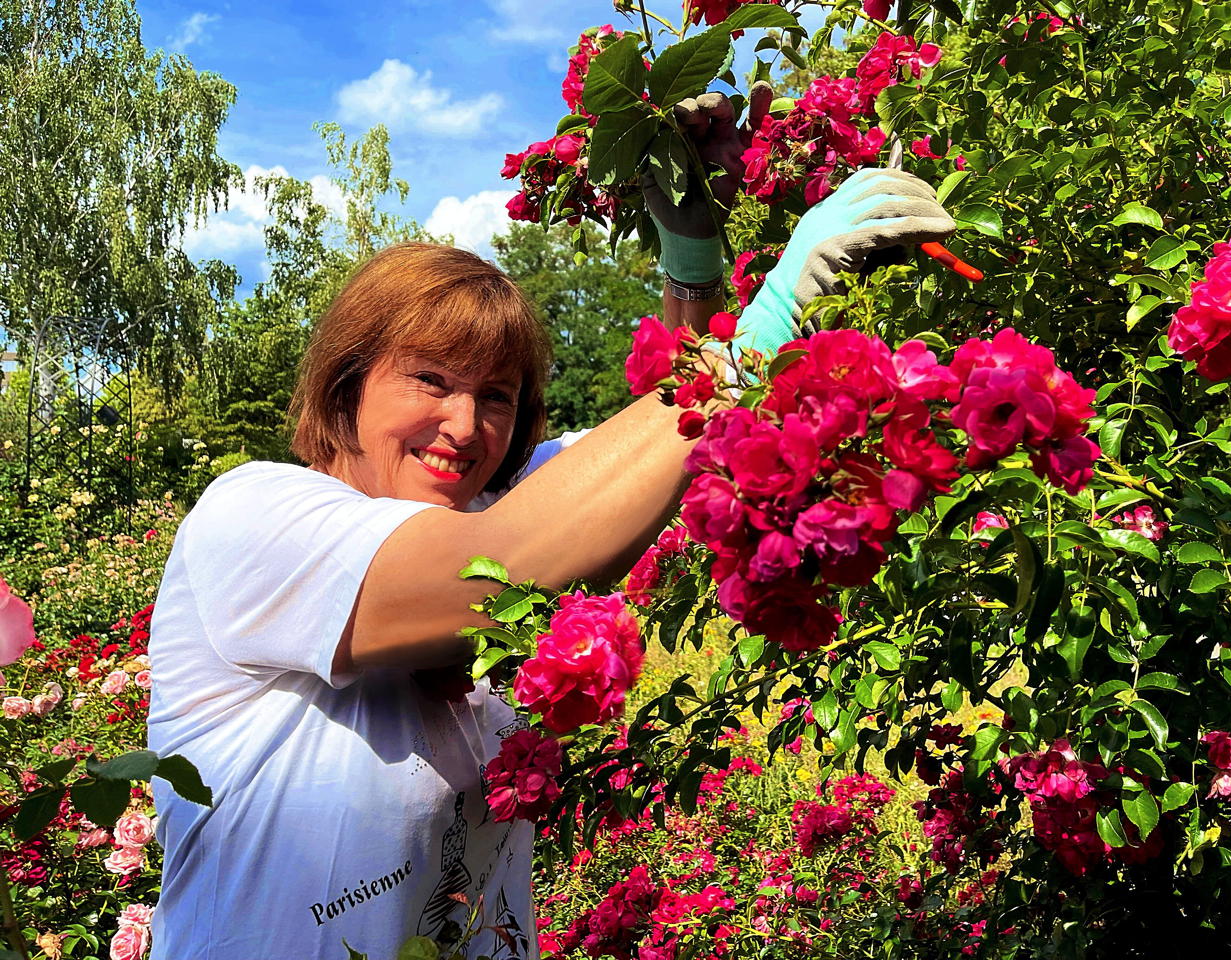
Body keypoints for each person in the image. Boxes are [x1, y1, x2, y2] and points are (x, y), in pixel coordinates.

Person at [145, 90, 956, 959]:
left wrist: (690, 253)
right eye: (429, 380)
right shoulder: (257, 515)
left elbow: (652, 441)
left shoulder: (492, 499)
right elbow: (502, 560)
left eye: (496, 396)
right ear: (346, 387)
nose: (464, 426)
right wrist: (766, 329)